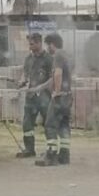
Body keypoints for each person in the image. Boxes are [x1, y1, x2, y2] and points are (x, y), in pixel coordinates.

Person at [36, 32, 73, 167]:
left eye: (48, 45)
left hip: (60, 97)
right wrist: (40, 87)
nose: (47, 49)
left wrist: (56, 92)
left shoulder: (57, 55)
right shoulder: (66, 55)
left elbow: (58, 74)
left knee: (50, 124)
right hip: (68, 97)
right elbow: (57, 78)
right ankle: (64, 154)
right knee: (64, 125)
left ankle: (51, 154)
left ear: (52, 44)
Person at [16, 33, 53, 158]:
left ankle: (51, 150)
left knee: (48, 123)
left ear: (39, 43)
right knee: (27, 123)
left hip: (44, 97)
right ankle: (29, 149)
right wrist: (22, 81)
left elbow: (53, 78)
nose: (30, 46)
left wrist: (41, 87)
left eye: (32, 44)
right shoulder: (28, 59)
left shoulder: (48, 59)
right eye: (29, 44)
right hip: (31, 96)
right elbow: (25, 74)